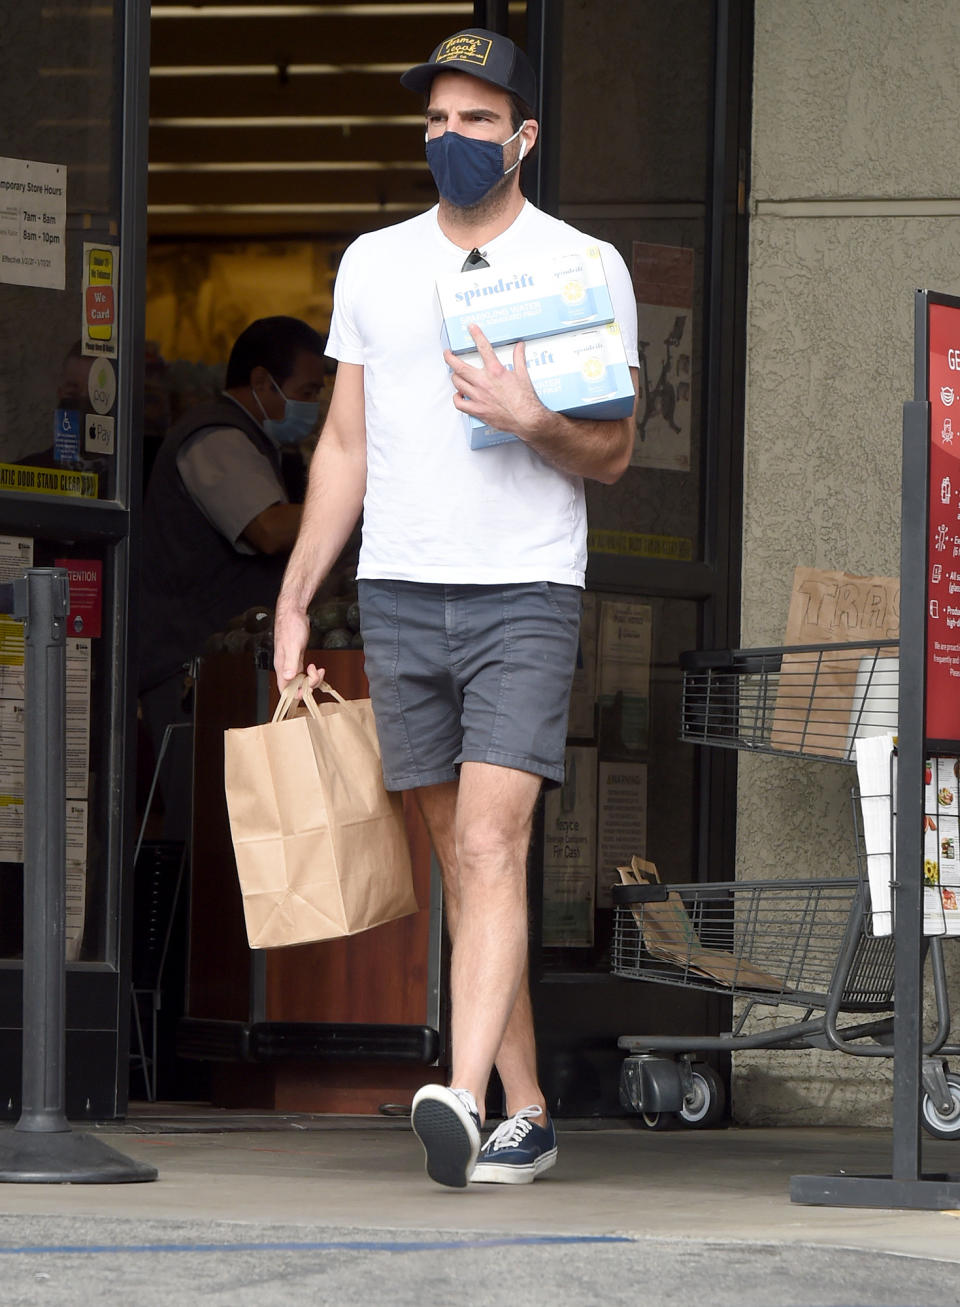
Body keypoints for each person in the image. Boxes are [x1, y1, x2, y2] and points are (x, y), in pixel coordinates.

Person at [273, 28, 639, 1189]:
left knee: (490, 842)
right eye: (437, 121)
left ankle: (458, 1092)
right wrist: (297, 598)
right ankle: (527, 1104)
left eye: (478, 122)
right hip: (398, 588)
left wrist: (533, 417)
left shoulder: (581, 266)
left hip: (524, 586)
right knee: (466, 862)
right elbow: (343, 442)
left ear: (525, 138)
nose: (452, 139)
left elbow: (617, 448)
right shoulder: (375, 264)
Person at [139, 315, 327, 837]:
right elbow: (266, 527)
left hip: (223, 674)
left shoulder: (261, 444)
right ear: (264, 382)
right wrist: (348, 498)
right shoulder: (215, 438)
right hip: (190, 675)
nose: (313, 407)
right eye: (307, 391)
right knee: (204, 834)